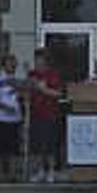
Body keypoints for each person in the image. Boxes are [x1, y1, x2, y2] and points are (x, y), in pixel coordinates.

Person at [27, 52, 66, 181]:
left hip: (50, 115)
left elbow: (59, 94)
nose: (38, 63)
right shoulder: (32, 74)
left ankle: (51, 171)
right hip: (35, 114)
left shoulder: (53, 75)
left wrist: (43, 89)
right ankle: (39, 171)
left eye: (40, 61)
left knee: (50, 145)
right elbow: (27, 89)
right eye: (36, 61)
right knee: (37, 145)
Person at [0, 56, 26, 178]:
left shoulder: (18, 81)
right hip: (1, 118)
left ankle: (12, 174)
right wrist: (6, 108)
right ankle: (0, 174)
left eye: (14, 64)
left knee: (13, 149)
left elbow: (23, 96)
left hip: (15, 119)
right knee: (0, 149)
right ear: (4, 65)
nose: (12, 66)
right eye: (10, 64)